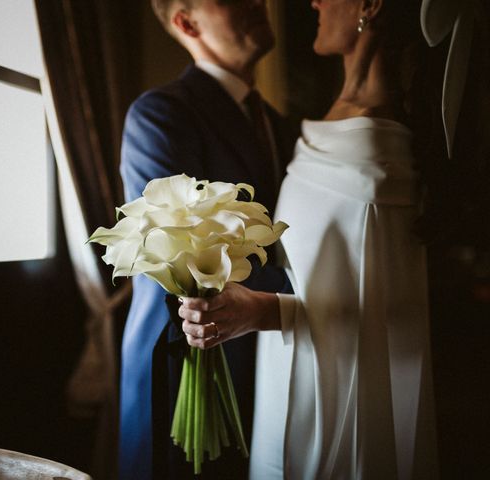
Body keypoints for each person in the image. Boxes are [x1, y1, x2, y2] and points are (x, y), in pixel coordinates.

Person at [178, 0, 441, 478]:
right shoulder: (331, 122)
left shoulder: (377, 148)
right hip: (288, 366)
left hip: (343, 396)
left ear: (370, 6)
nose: (314, 2)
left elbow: (388, 314)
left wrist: (262, 310)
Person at [118, 1, 296, 479]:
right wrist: (312, 301)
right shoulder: (161, 113)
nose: (256, 3)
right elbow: (180, 253)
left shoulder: (280, 126)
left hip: (265, 349)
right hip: (186, 358)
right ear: (185, 22)